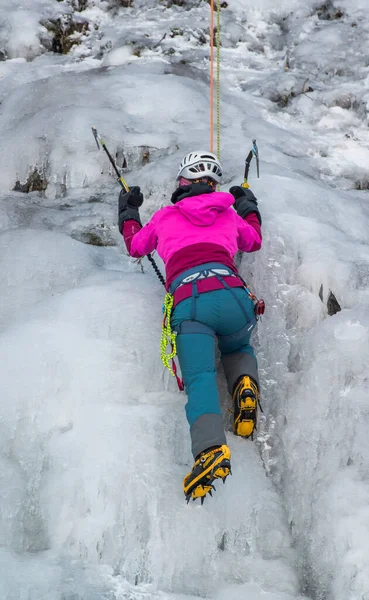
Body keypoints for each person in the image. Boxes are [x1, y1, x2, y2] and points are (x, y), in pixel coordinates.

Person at [118, 151, 263, 503]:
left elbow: (136, 247)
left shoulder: (167, 216)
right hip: (234, 294)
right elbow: (254, 240)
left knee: (199, 378)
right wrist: (248, 205)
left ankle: (211, 449)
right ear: (214, 185)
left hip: (191, 298)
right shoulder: (229, 214)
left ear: (183, 183)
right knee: (238, 347)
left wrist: (128, 212)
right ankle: (244, 384)